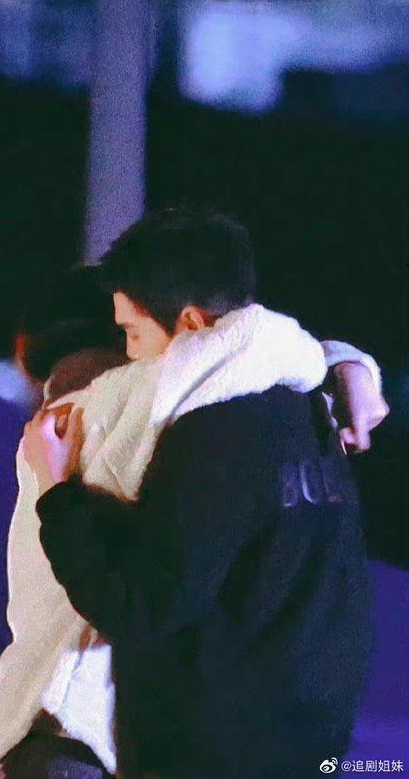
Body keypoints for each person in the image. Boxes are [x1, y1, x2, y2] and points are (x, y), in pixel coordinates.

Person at [21, 209, 381, 779]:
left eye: (132, 333)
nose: (132, 356)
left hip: (219, 751)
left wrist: (56, 489)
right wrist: (349, 362)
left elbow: (139, 605)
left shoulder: (213, 432)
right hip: (315, 736)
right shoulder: (308, 398)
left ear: (190, 322)